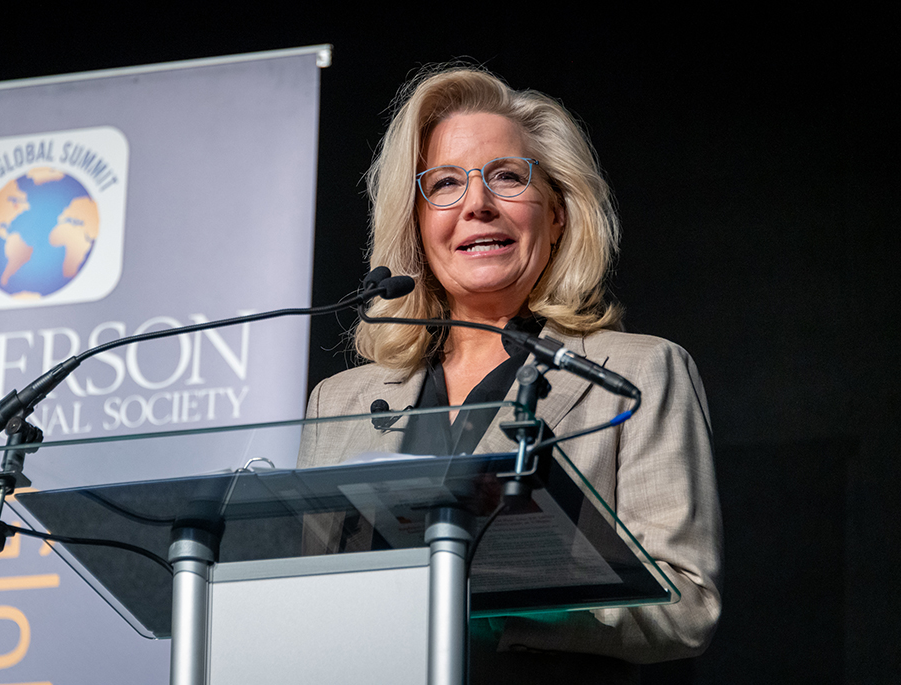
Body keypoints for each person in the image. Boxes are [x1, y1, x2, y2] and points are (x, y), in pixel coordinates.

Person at [298, 66, 721, 683]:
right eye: (443, 184)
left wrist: (495, 596)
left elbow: (686, 606)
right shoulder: (337, 402)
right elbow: (307, 607)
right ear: (415, 226)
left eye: (505, 176)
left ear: (555, 213)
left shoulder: (639, 372)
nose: (477, 205)